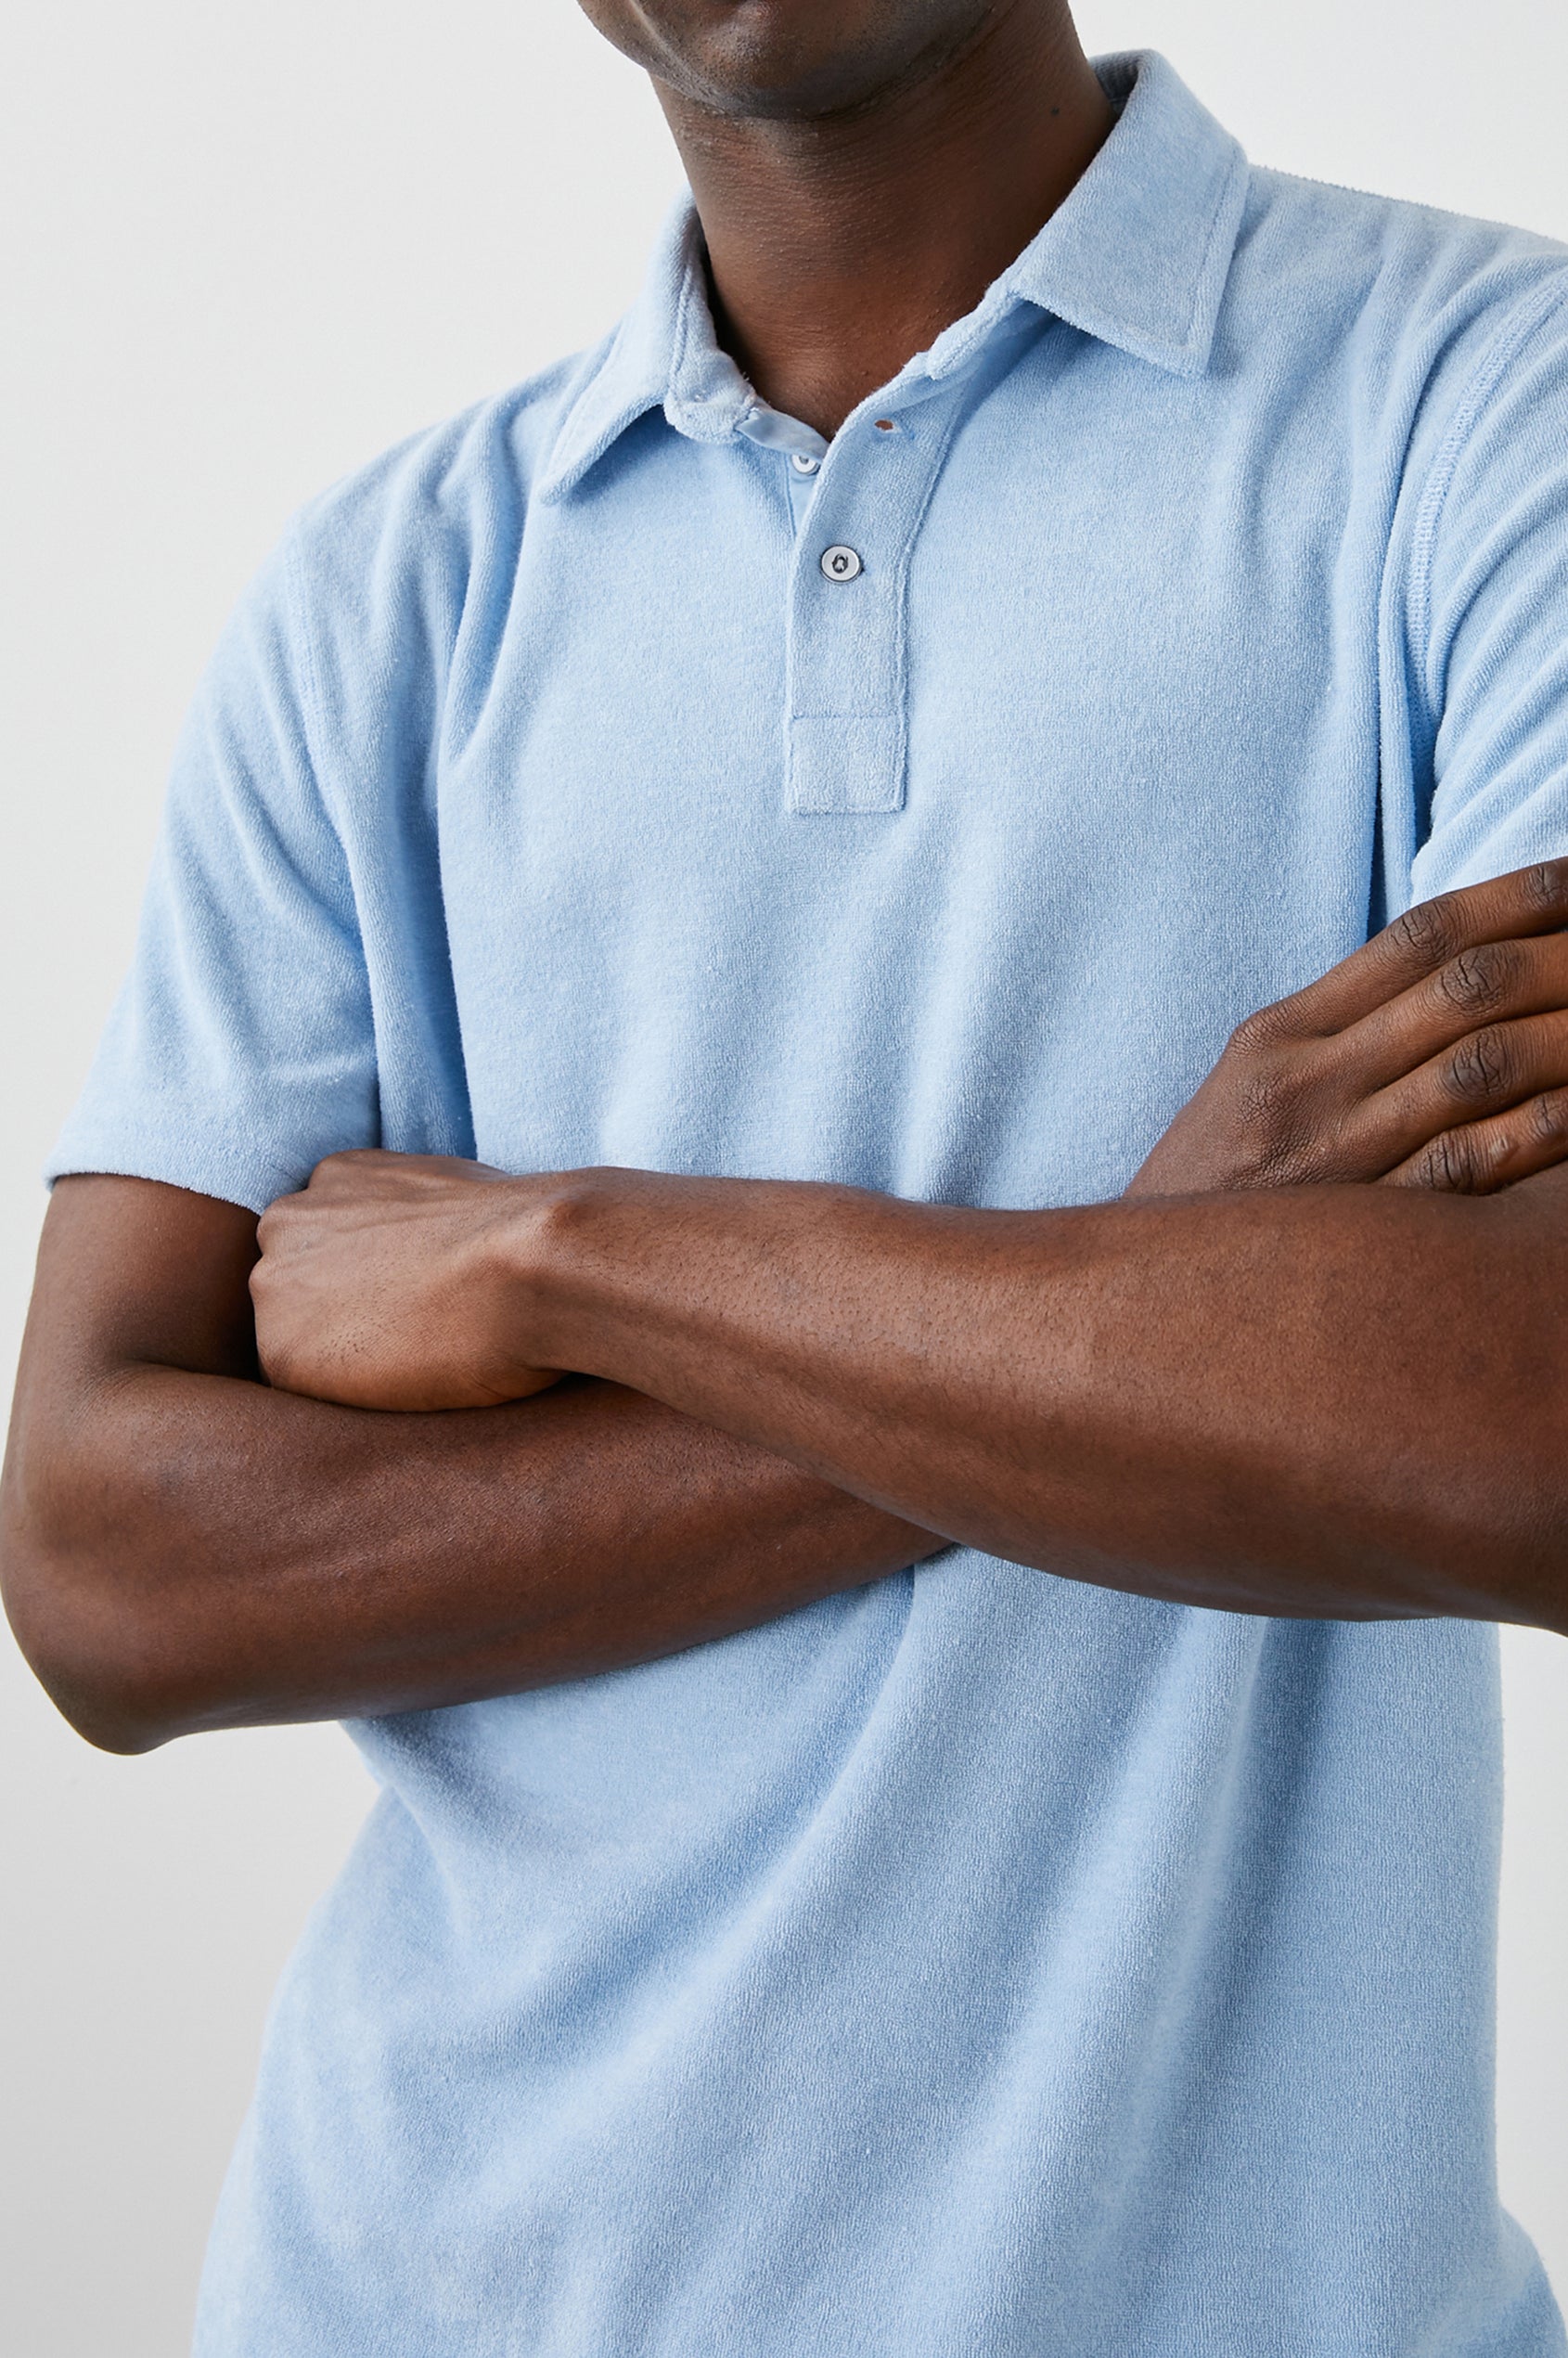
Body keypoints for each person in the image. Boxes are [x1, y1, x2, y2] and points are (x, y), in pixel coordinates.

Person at [4, 1, 1568, 2349]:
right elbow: (107, 1569)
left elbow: (1520, 1420)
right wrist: (1162, 1282)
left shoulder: (1488, 406)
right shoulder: (384, 598)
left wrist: (573, 1255)